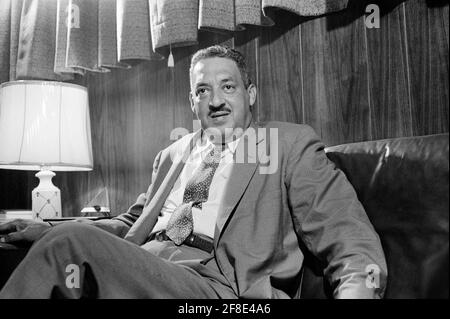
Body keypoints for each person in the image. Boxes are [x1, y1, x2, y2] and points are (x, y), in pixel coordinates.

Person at [0, 45, 387, 299]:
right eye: (203, 91)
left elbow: (348, 240)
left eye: (227, 87)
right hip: (145, 269)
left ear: (250, 94)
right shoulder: (172, 153)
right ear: (191, 101)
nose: (215, 100)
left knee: (71, 245)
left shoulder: (288, 145)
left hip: (219, 289)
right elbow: (132, 221)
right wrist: (47, 229)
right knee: (67, 246)